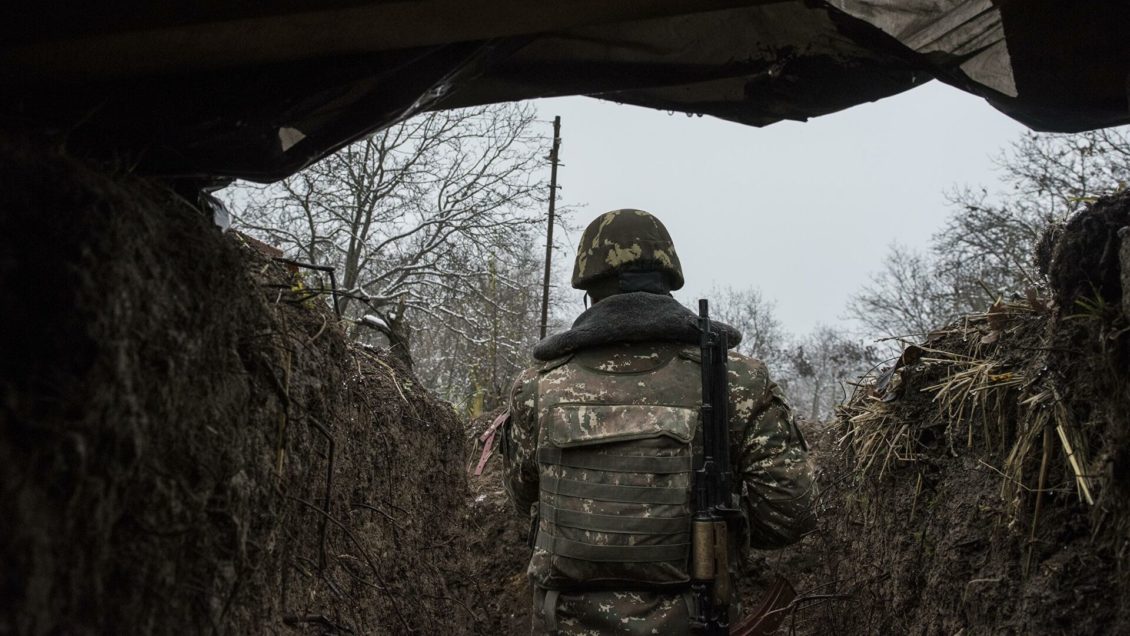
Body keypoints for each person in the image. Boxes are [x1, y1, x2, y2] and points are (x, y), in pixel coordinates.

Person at [501, 209, 817, 635]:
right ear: (670, 280)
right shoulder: (736, 379)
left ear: (588, 288)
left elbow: (524, 501)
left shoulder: (536, 386)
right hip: (692, 618)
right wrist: (719, 527)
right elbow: (788, 514)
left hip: (563, 621)